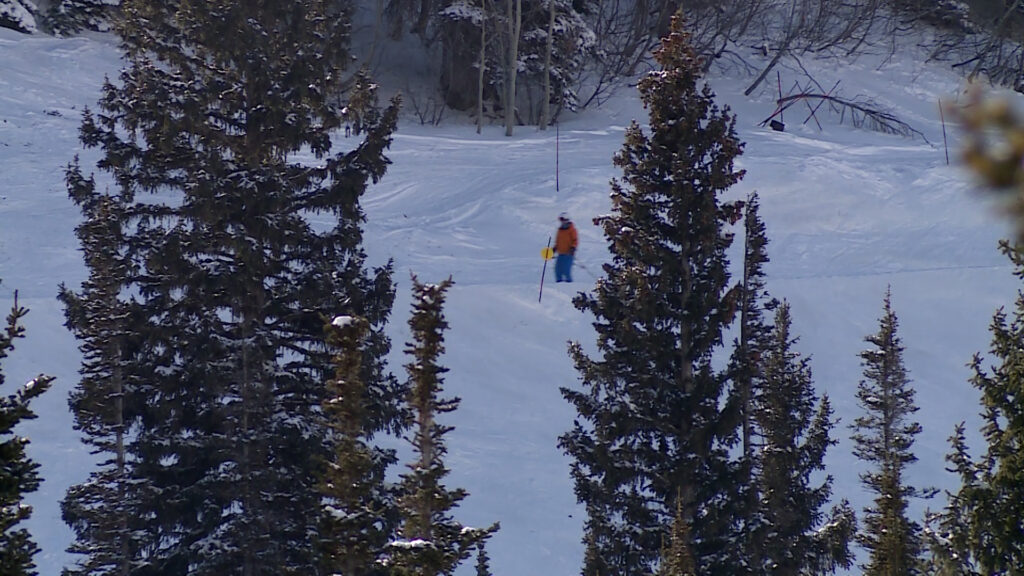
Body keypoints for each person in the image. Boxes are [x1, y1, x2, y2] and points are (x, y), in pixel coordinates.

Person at [553, 212, 578, 282]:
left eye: (564, 220)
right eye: (561, 220)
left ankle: (569, 284)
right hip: (560, 253)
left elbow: (575, 240)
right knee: (557, 269)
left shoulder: (572, 230)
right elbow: (558, 241)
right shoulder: (560, 230)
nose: (562, 222)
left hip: (568, 254)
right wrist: (554, 249)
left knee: (566, 270)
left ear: (567, 220)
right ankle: (559, 283)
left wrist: (573, 248)